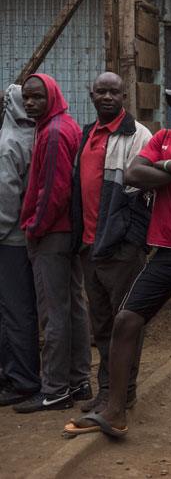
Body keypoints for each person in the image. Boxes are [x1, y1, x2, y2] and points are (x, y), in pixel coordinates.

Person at [70, 86, 171, 442]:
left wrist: (162, 169)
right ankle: (115, 409)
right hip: (163, 253)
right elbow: (132, 174)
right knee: (126, 321)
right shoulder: (163, 137)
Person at [69, 72, 153, 415]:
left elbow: (146, 195)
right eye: (101, 91)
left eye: (113, 92)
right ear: (91, 95)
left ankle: (123, 393)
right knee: (102, 324)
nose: (107, 96)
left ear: (124, 97)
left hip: (121, 250)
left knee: (126, 323)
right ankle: (107, 390)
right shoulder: (86, 134)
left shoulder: (138, 135)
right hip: (91, 247)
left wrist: (132, 242)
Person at [13, 74, 90, 413]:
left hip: (52, 234)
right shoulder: (61, 125)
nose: (30, 103)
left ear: (52, 96)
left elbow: (53, 191)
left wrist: (34, 227)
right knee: (73, 306)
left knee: (53, 312)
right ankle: (79, 381)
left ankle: (56, 389)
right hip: (66, 232)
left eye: (37, 97)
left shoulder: (55, 132)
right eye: (27, 98)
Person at [0, 84, 40, 407]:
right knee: (24, 307)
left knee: (14, 310)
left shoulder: (9, 142)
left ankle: (23, 379)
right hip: (28, 236)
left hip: (8, 239)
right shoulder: (36, 136)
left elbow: (6, 199)